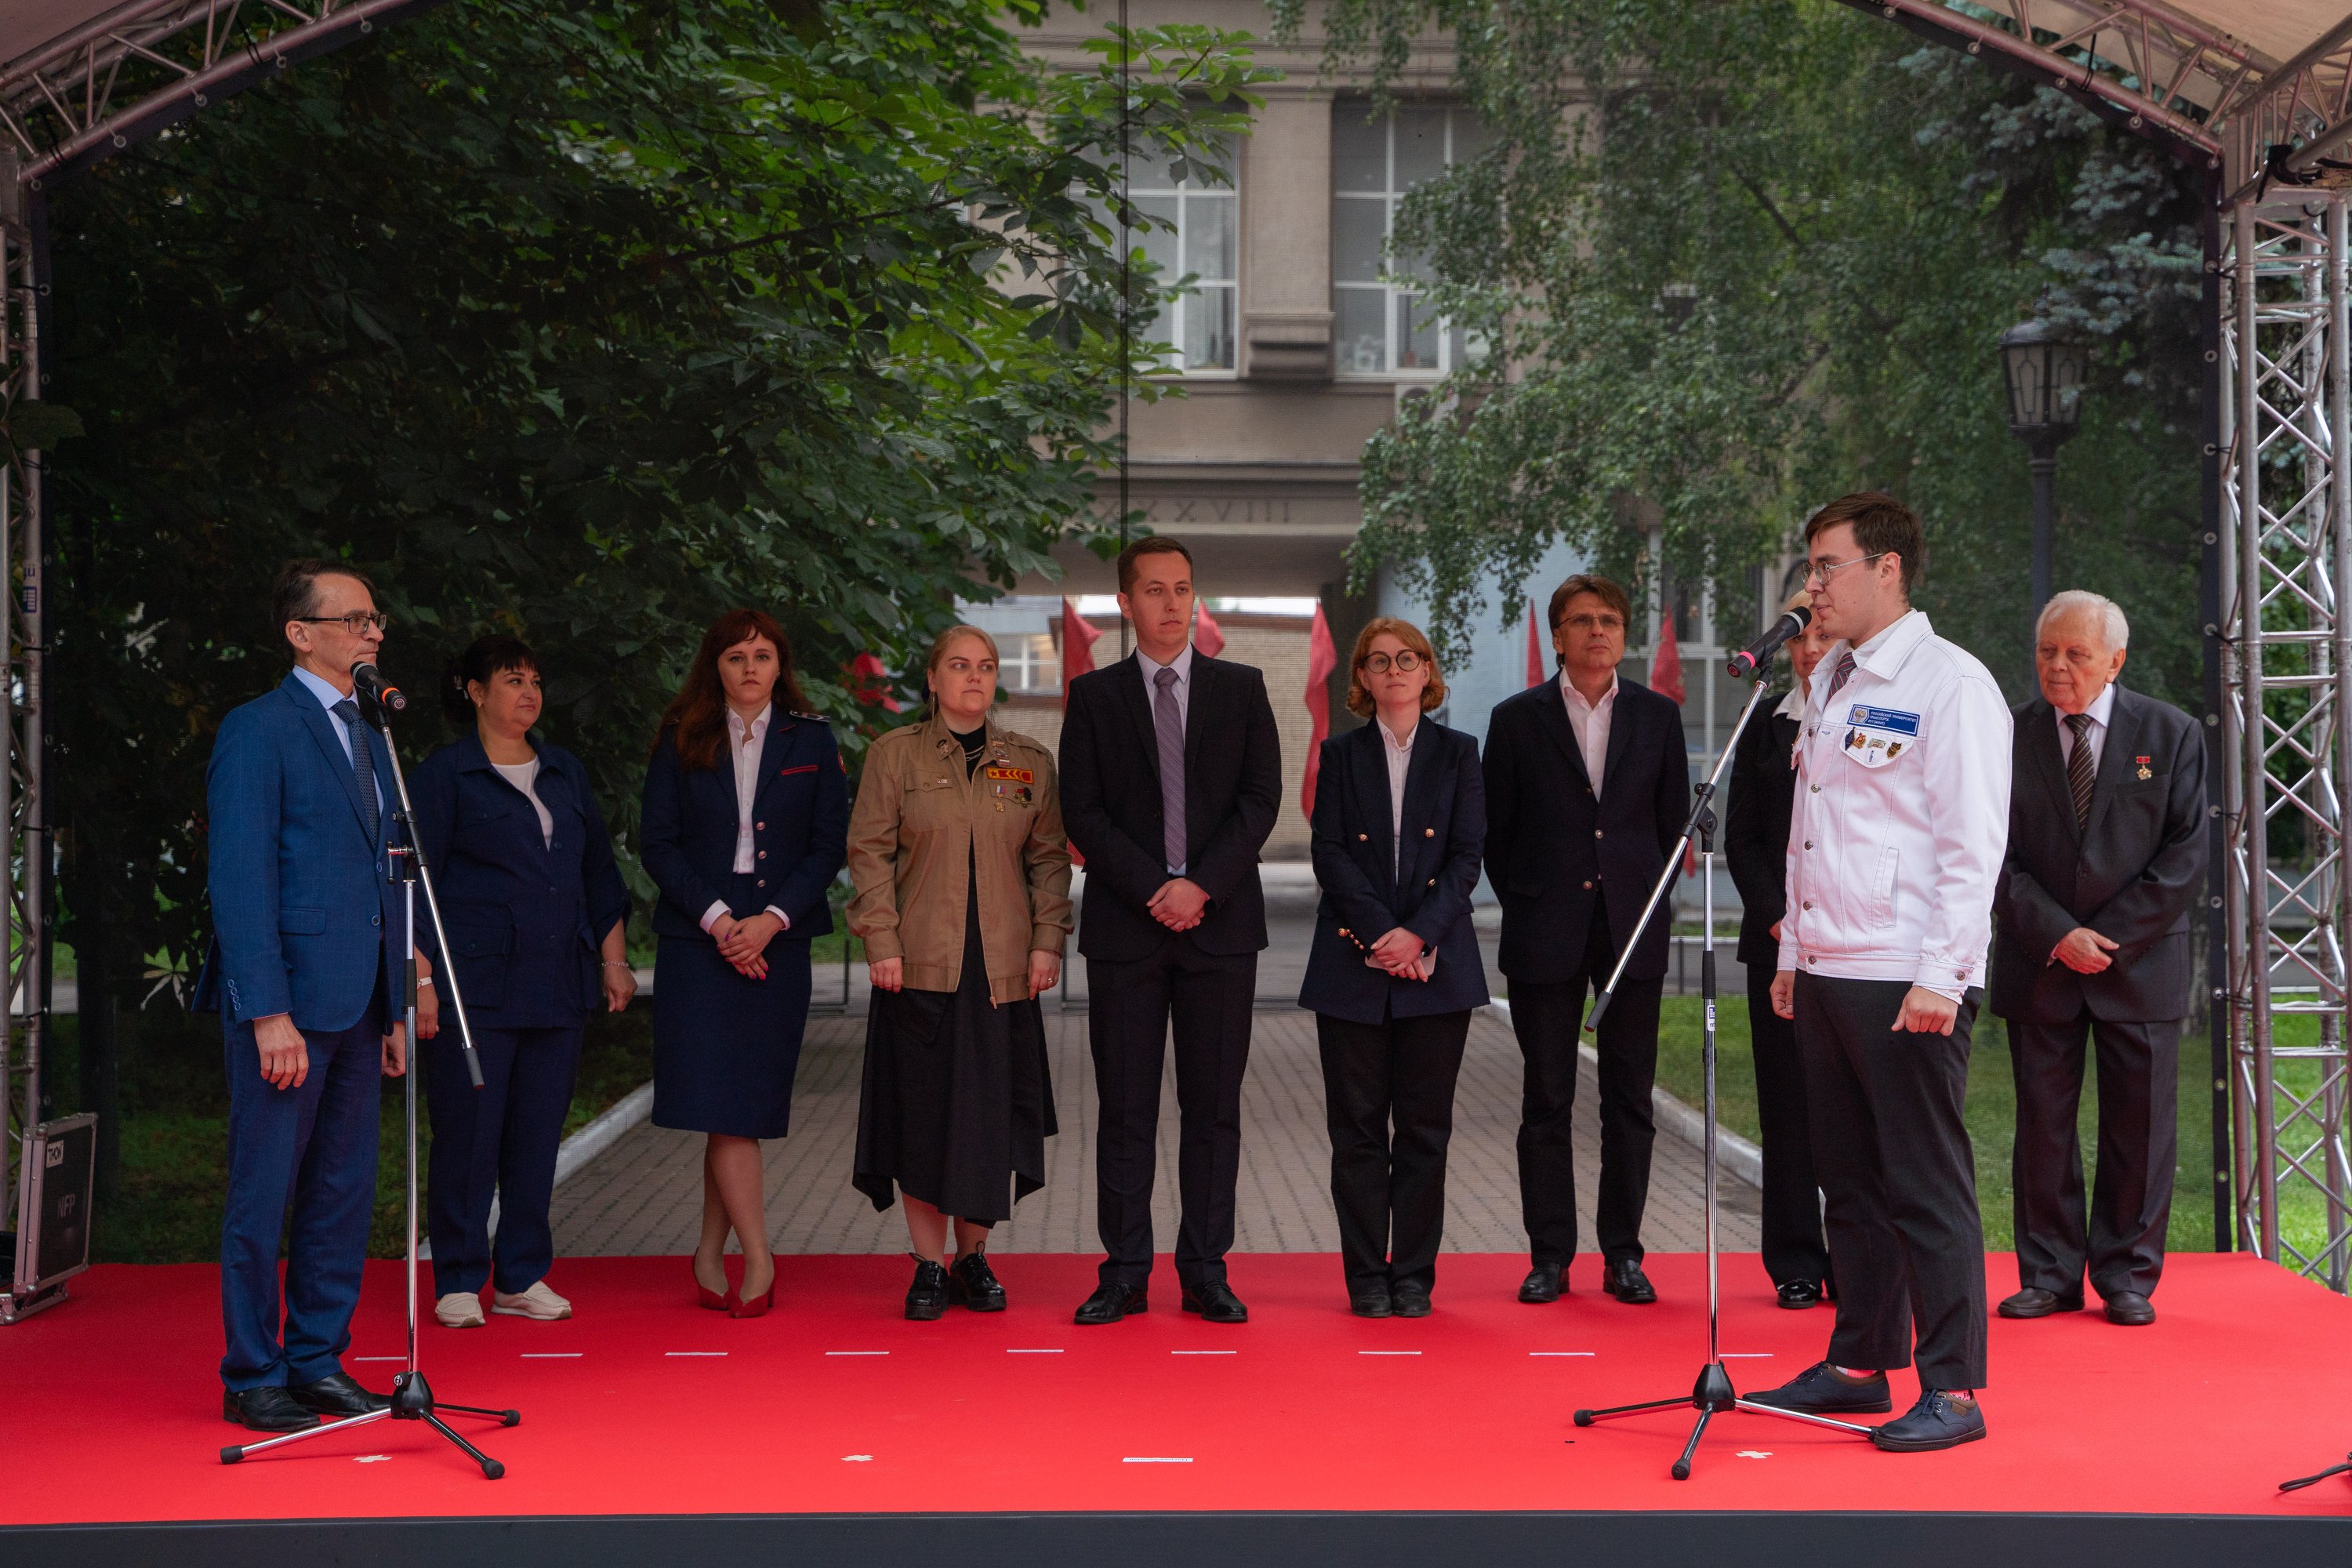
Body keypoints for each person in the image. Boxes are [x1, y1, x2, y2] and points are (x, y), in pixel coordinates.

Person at [1752, 492, 2012, 1453]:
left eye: (1828, 565)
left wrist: (1944, 973)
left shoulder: (1951, 682)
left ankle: (1955, 1387)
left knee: (1924, 1183)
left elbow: (1973, 843)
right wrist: (1794, 949)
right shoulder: (1833, 677)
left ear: (1888, 567)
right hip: (1831, 963)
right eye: (1811, 567)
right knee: (1850, 1181)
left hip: (1907, 971)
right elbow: (1812, 825)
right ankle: (1862, 1359)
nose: (1811, 585)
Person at [196, 560, 412, 1433]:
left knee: (342, 1191)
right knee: (265, 1191)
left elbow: (389, 871)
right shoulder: (258, 728)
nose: (373, 631)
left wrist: (399, 997)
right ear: (300, 633)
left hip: (362, 1002)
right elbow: (239, 877)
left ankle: (318, 1359)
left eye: (376, 619)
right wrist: (267, 1011)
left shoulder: (374, 729)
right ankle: (253, 1372)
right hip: (288, 1006)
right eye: (355, 619)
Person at [1059, 535, 1281, 1326]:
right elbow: (1082, 809)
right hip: (1128, 930)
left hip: (1221, 931)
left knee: (1213, 1111)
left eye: (1182, 588)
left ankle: (1205, 1270)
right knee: (1124, 1110)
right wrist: (1157, 887)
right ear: (1125, 603)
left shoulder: (1242, 688)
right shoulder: (1094, 698)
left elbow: (1260, 800)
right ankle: (1123, 1272)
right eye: (1153, 589)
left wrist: (1201, 886)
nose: (1171, 602)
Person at [1993, 590, 2205, 1328]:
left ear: (2115, 661)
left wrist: (2106, 938)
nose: (2057, 666)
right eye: (2047, 651)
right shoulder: (2005, 734)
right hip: (2040, 961)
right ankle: (2049, 1275)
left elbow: (2186, 855)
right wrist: (2058, 933)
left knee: (2139, 1130)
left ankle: (2128, 1276)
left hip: (2139, 966)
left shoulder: (2171, 733)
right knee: (2043, 1129)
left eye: (2076, 654)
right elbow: (1987, 850)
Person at [408, 635, 634, 1330]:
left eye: (535, 680)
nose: (529, 692)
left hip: (558, 981)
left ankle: (521, 1275)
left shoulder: (563, 771)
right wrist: (421, 979)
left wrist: (614, 960)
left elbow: (598, 873)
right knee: (469, 1135)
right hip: (473, 986)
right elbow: (412, 881)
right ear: (475, 692)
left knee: (537, 1137)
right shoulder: (446, 774)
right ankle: (457, 1278)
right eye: (513, 679)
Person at [848, 626, 1072, 1319]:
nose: (974, 677)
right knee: (922, 1120)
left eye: (986, 666)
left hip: (1002, 973)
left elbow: (1049, 860)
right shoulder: (894, 755)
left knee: (988, 1122)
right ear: (933, 678)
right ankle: (928, 1265)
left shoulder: (1028, 761)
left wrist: (1047, 941)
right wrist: (881, 940)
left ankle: (973, 1259)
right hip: (917, 969)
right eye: (959, 665)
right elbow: (869, 853)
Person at [1482, 573, 1688, 1308]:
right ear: (1559, 635)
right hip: (1545, 930)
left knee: (1630, 1102)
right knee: (1547, 1098)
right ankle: (1550, 1256)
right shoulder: (1516, 720)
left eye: (1608, 620)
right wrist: (1532, 899)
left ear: (1623, 635)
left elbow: (1672, 831)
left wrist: (1644, 899)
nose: (1597, 631)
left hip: (1632, 932)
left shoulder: (1659, 718)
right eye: (1581, 621)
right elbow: (1496, 834)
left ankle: (1623, 1255)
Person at [641, 609, 848, 1318]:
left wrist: (770, 921)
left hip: (777, 941)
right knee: (723, 1106)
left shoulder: (812, 740)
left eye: (763, 656)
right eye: (736, 657)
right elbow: (658, 842)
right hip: (699, 940)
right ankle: (759, 1256)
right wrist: (721, 921)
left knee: (737, 1108)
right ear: (716, 667)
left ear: (780, 665)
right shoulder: (682, 737)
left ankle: (708, 1250)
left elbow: (828, 845)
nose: (750, 668)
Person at [1300, 617, 1489, 1319]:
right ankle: (1364, 1278)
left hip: (1437, 967)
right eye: (1379, 661)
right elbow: (1329, 853)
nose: (1395, 670)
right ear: (1363, 678)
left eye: (1408, 659)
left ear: (1427, 671)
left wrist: (1420, 936)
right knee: (1355, 1133)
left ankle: (1412, 1275)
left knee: (1423, 1133)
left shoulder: (1459, 753)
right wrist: (1384, 935)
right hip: (1354, 965)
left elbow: (1467, 856)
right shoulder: (1340, 755)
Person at [1724, 592, 1835, 1309]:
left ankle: (1854, 1260)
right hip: (1776, 945)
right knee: (1787, 1109)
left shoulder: (1871, 720)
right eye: (1798, 638)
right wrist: (1777, 920)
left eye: (1821, 636)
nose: (1808, 650)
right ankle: (1795, 1260)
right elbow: (1741, 837)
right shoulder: (1764, 722)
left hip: (1851, 948)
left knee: (1849, 1110)